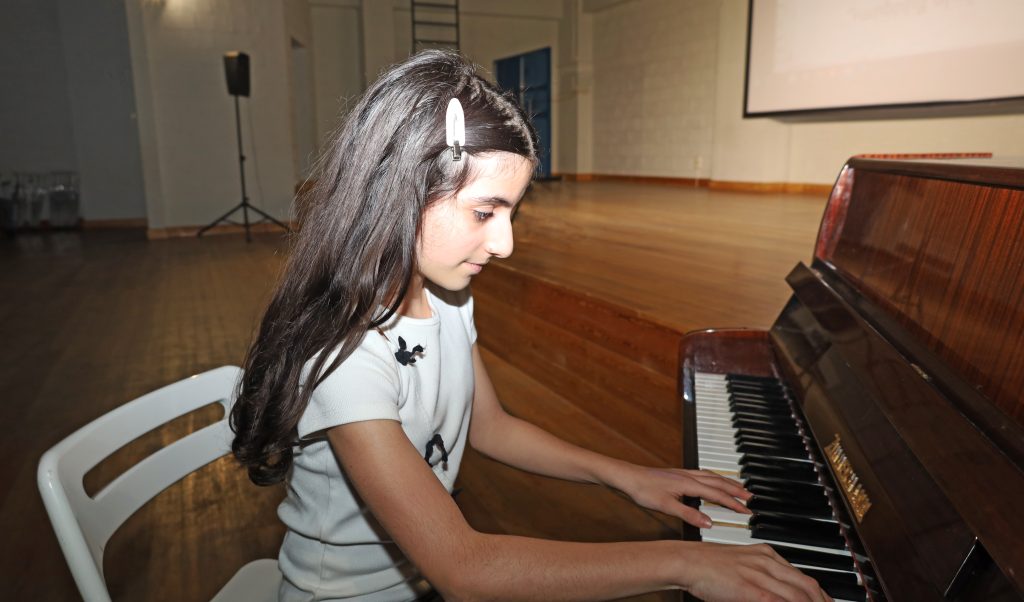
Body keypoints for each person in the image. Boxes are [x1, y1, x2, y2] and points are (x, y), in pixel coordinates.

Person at [230, 50, 830, 602]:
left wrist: (626, 477)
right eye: (484, 212)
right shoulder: (345, 355)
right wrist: (684, 563)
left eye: (511, 213)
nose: (505, 244)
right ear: (400, 193)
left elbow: (490, 427)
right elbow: (465, 569)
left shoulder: (449, 299)